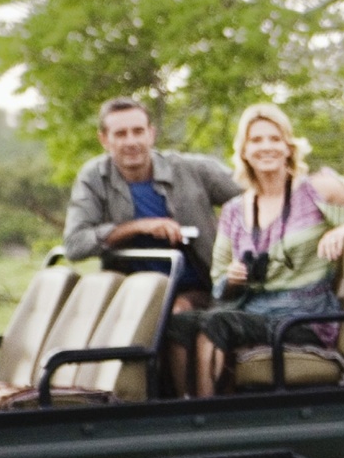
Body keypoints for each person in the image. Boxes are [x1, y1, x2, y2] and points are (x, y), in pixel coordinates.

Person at [179, 103, 344, 398]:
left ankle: (206, 421)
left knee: (217, 322)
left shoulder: (314, 190)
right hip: (253, 310)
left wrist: (343, 229)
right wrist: (234, 278)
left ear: (288, 147)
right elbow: (219, 284)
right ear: (244, 151)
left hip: (303, 318)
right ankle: (183, 412)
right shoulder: (234, 211)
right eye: (256, 140)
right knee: (179, 324)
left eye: (275, 139)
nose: (266, 147)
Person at [63, 97, 241, 303]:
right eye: (120, 134)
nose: (131, 142)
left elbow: (257, 196)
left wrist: (234, 240)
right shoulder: (94, 177)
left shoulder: (192, 170)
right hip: (130, 294)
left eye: (138, 131)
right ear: (104, 139)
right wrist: (138, 227)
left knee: (172, 315)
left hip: (199, 289)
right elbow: (75, 245)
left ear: (151, 134)